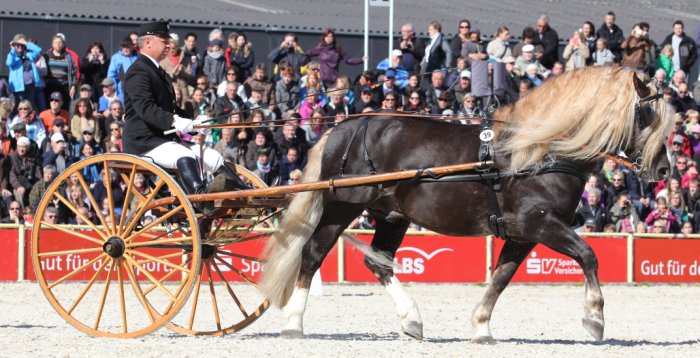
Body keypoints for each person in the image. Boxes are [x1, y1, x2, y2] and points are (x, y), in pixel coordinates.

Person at [122, 21, 245, 213]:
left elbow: (169, 108)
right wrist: (175, 122)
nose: (169, 45)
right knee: (185, 154)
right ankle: (200, 199)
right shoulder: (138, 72)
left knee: (212, 157)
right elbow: (145, 108)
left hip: (163, 140)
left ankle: (244, 193)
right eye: (164, 41)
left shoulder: (157, 71)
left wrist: (194, 122)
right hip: (144, 142)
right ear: (147, 43)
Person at [6, 34, 45, 111]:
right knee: (19, 106)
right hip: (19, 88)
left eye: (22, 45)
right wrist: (13, 49)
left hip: (31, 85)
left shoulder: (29, 54)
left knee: (29, 106)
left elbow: (38, 50)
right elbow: (9, 63)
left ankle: (28, 121)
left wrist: (26, 43)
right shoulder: (12, 56)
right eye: (18, 45)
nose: (20, 47)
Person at [44, 34, 78, 110]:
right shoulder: (46, 56)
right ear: (52, 44)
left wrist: (73, 86)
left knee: (64, 107)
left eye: (60, 42)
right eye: (56, 42)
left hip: (64, 87)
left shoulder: (68, 57)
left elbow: (73, 73)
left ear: (63, 44)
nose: (58, 44)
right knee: (49, 107)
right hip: (50, 86)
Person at [7, 136, 42, 206]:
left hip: (30, 183)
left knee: (39, 192)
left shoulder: (32, 157)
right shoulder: (11, 157)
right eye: (19, 146)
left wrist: (40, 184)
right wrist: (18, 186)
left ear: (28, 148)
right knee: (20, 195)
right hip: (16, 184)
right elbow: (12, 174)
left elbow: (38, 172)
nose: (21, 149)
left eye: (24, 147)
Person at [107, 37, 138, 104]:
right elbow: (111, 75)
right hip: (121, 89)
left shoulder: (138, 57)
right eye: (124, 47)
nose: (125, 49)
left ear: (132, 47)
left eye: (128, 47)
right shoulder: (116, 57)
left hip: (136, 89)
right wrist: (115, 89)